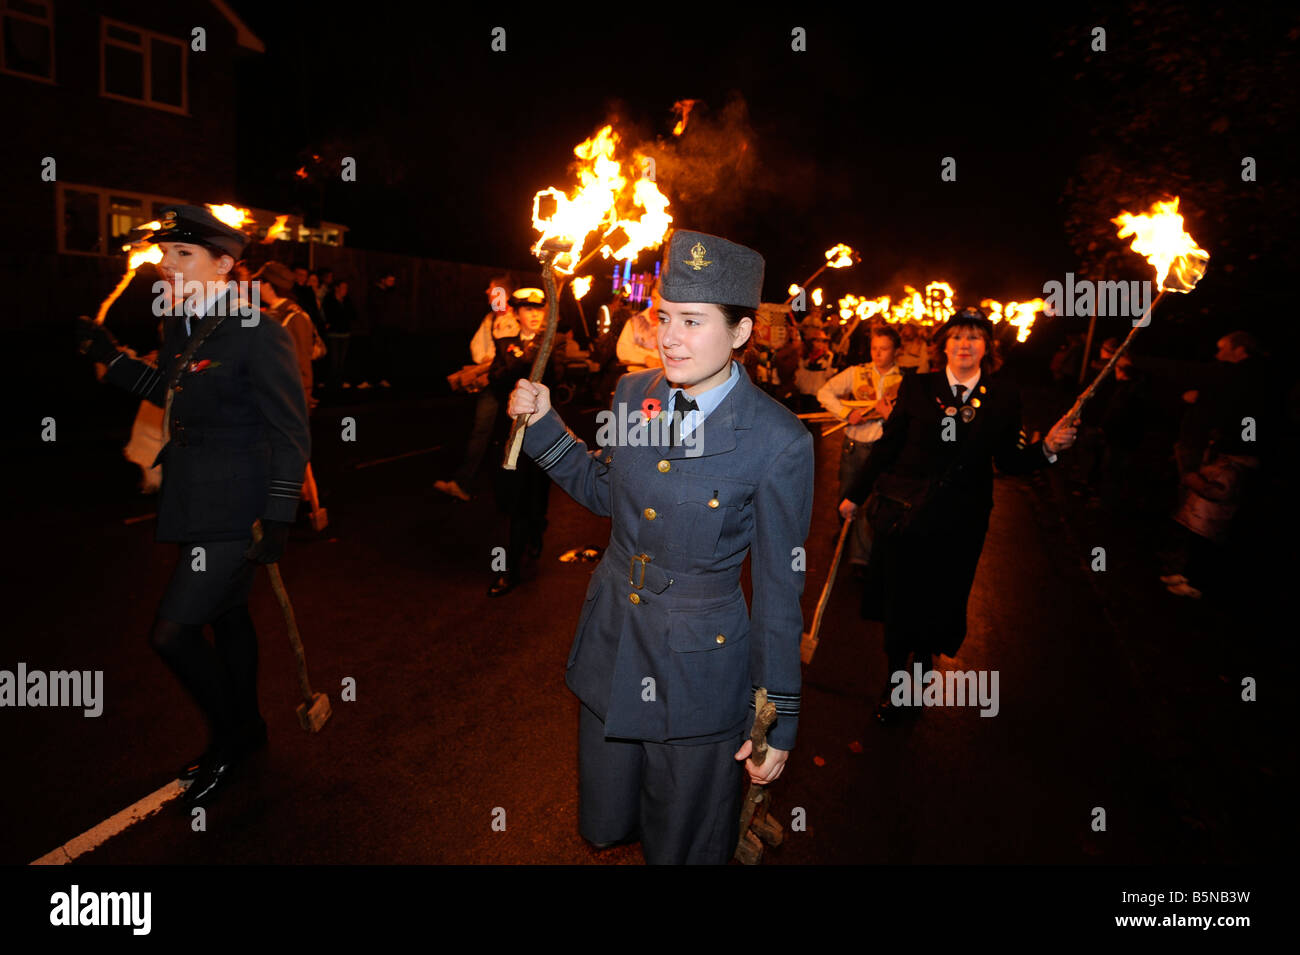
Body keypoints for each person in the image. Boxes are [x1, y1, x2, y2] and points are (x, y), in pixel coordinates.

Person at [507, 230, 814, 863]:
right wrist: (544, 430)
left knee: (685, 840)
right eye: (664, 316)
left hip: (699, 673)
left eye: (693, 321)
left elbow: (781, 588)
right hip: (613, 647)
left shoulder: (778, 440)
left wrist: (776, 713)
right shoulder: (633, 393)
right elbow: (604, 490)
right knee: (608, 815)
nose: (668, 336)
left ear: (740, 333)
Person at [75, 204, 310, 804]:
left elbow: (291, 431)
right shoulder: (182, 324)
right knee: (228, 618)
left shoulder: (260, 332)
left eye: (182, 255)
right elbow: (177, 394)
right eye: (165, 254)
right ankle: (250, 730)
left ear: (225, 264)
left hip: (237, 511)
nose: (165, 265)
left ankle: (228, 740)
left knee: (171, 635)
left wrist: (281, 515)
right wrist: (110, 357)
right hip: (192, 498)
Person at [839, 308, 1077, 725]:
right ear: (942, 346)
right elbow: (887, 447)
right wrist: (854, 496)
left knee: (936, 605)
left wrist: (1048, 449)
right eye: (957, 338)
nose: (965, 345)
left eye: (974, 338)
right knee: (899, 604)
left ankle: (920, 670)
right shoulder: (916, 387)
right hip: (905, 516)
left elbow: (1008, 460)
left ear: (987, 347)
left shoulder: (1004, 397)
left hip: (959, 523)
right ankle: (898, 686)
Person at [487, 288, 557, 596]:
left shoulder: (551, 346)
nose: (532, 313)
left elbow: (553, 381)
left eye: (538, 309)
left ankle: (537, 530)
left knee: (537, 493)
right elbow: (496, 379)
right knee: (514, 502)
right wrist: (525, 359)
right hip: (513, 433)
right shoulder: (506, 344)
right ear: (516, 313)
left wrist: (537, 355)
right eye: (526, 309)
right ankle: (511, 568)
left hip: (540, 433)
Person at [817, 324, 903, 570]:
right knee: (847, 494)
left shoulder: (905, 380)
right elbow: (824, 393)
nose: (878, 353)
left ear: (896, 350)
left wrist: (890, 417)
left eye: (884, 349)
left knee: (871, 501)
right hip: (854, 445)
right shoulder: (856, 372)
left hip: (881, 448)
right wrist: (846, 412)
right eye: (874, 348)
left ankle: (860, 555)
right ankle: (846, 534)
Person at [435, 275, 519, 502]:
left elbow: (511, 357)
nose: (487, 292)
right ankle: (464, 483)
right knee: (484, 431)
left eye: (492, 289)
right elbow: (479, 349)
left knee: (512, 434)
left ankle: (517, 489)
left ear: (504, 294)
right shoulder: (491, 318)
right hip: (492, 381)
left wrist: (487, 368)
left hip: (508, 383)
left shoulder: (515, 319)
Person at [322, 279, 357, 392]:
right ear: (336, 288)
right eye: (343, 287)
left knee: (342, 360)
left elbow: (352, 314)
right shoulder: (329, 300)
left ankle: (339, 381)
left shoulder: (347, 300)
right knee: (334, 359)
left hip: (344, 333)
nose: (345, 290)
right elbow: (329, 315)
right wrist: (331, 323)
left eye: (346, 288)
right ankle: (332, 383)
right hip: (334, 334)